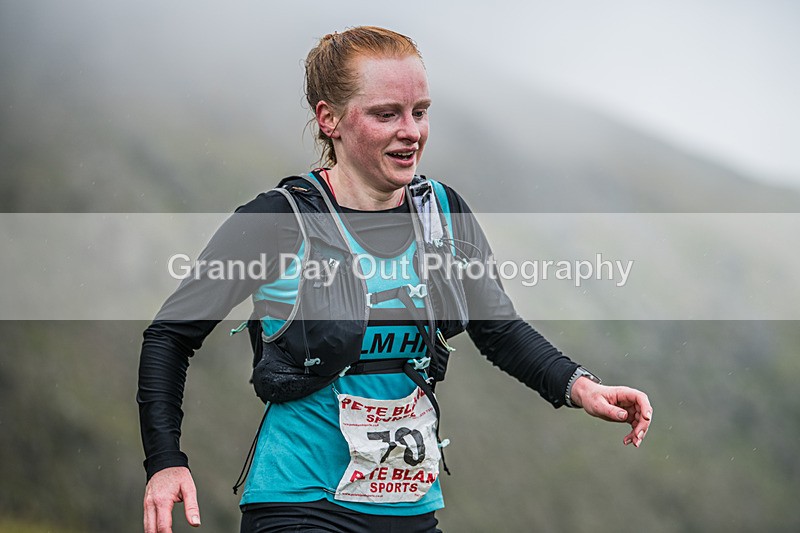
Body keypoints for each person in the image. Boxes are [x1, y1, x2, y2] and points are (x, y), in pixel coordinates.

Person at [138, 26, 652, 533]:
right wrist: (165, 461)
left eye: (420, 112)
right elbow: (170, 335)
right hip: (300, 503)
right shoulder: (277, 221)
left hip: (410, 509)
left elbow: (496, 327)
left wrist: (579, 386)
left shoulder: (443, 214)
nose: (411, 131)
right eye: (387, 114)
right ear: (329, 119)